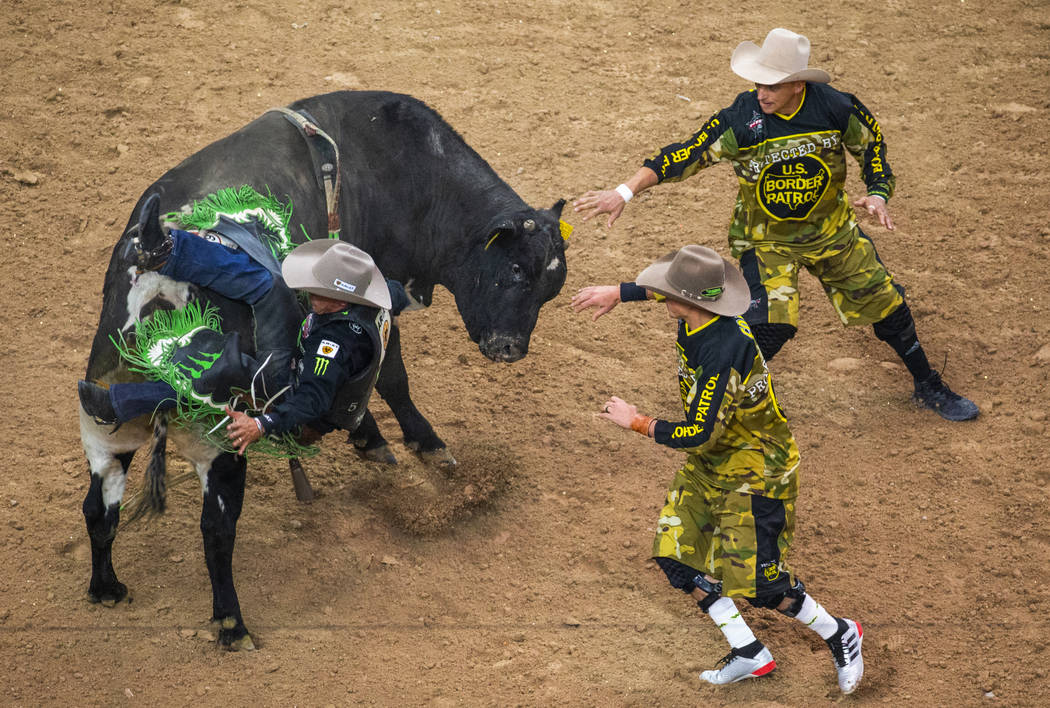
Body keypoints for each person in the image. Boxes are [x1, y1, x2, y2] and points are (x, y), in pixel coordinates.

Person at [573, 27, 978, 422]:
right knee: (769, 326)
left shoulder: (837, 108)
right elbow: (685, 154)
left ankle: (928, 384)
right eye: (757, 83)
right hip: (766, 242)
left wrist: (877, 193)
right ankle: (725, 396)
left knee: (887, 306)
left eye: (771, 85)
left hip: (832, 231)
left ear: (798, 85)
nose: (761, 93)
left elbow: (872, 147)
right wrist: (623, 192)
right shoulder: (740, 119)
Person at [572, 245, 863, 694]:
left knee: (762, 586)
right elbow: (667, 293)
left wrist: (636, 422)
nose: (662, 296)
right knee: (675, 556)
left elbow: (697, 434)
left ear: (689, 302)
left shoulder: (720, 352)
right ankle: (749, 651)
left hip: (756, 473)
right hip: (714, 466)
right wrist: (622, 292)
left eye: (669, 291)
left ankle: (839, 631)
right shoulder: (700, 313)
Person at [79, 194, 407, 454]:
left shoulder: (332, 347)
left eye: (319, 290)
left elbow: (312, 401)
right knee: (271, 283)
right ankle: (165, 252)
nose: (309, 290)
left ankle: (116, 404)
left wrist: (260, 425)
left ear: (342, 301)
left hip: (288, 394)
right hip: (302, 355)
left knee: (221, 366)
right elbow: (399, 294)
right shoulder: (377, 296)